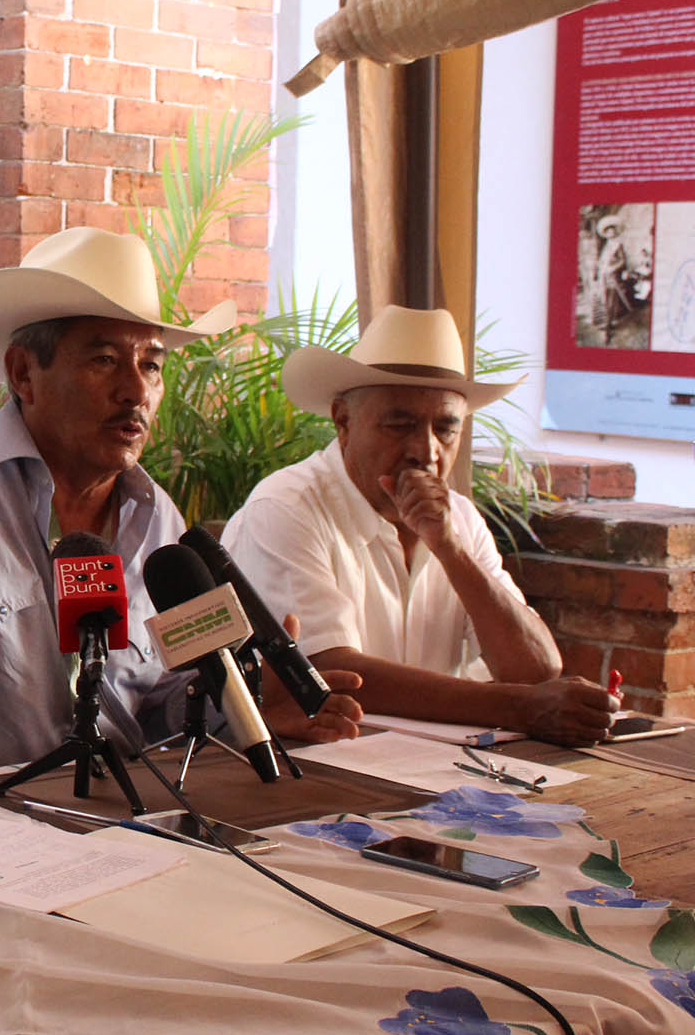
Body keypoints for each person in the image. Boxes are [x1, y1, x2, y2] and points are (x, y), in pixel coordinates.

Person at [0, 227, 363, 785]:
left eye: (151, 365)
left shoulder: (157, 519)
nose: (135, 390)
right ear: (23, 374)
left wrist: (242, 704)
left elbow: (156, 707)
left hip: (122, 819)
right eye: (105, 359)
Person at [222, 304, 617, 746]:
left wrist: (448, 547)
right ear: (343, 422)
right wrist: (520, 708)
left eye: (445, 428)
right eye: (399, 423)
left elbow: (535, 670)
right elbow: (330, 672)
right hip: (322, 772)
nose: (425, 451)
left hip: (437, 771)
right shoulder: (287, 506)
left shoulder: (459, 519)